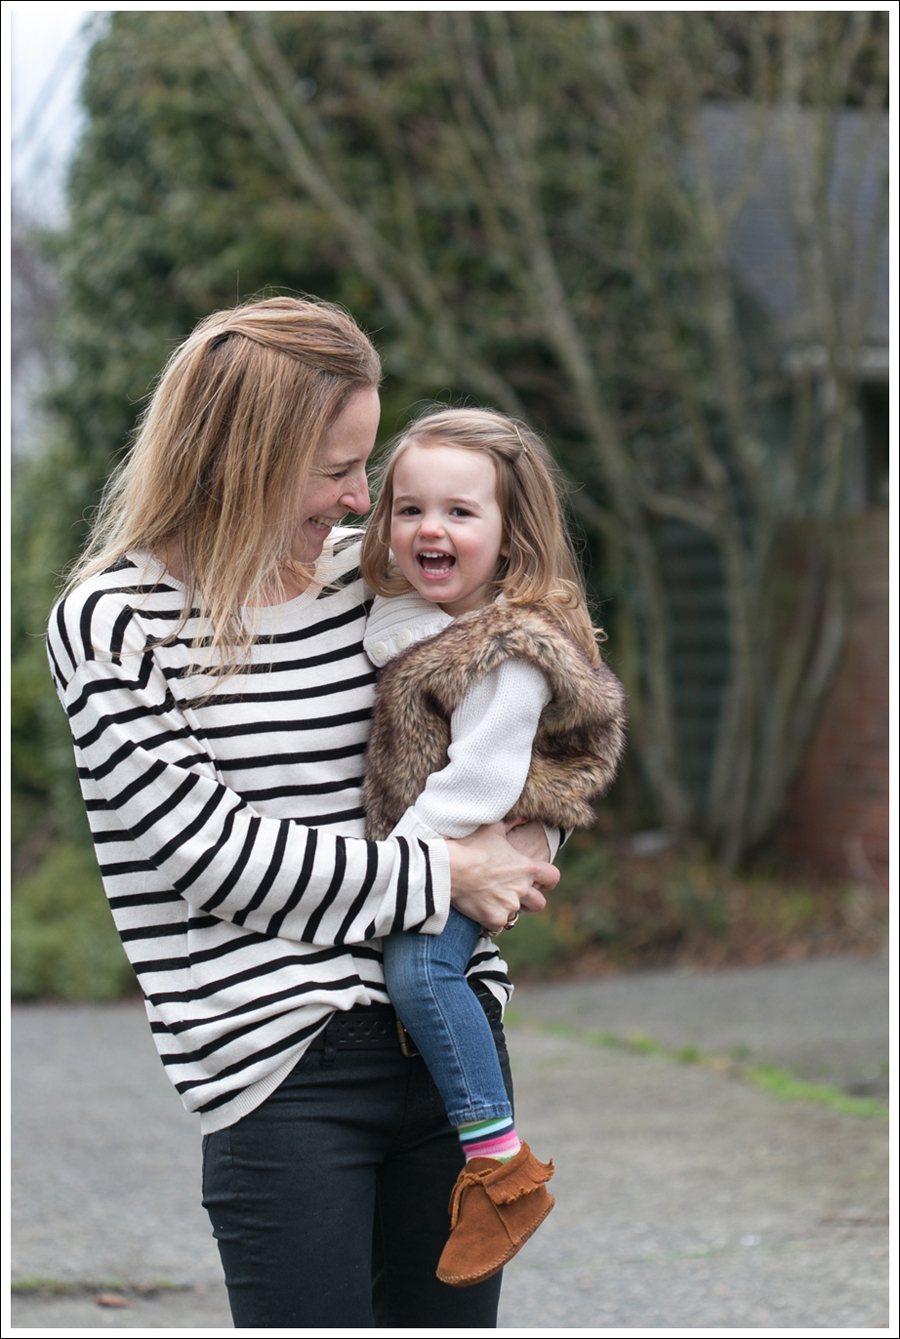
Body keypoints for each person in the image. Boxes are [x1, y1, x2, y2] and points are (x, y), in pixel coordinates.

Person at [46, 297, 560, 1329]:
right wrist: (446, 873)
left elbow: (522, 701)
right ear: (242, 456)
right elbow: (210, 855)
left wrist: (530, 833)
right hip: (282, 1074)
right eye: (336, 469)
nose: (361, 497)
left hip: (450, 1045)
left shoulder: (371, 579)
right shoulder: (113, 623)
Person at [359, 407, 627, 1287]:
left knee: (419, 969)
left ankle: (500, 1167)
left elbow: (479, 780)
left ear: (510, 537)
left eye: (459, 512)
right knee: (417, 967)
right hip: (444, 850)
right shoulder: (424, 614)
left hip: (467, 838)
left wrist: (396, 869)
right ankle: (490, 1158)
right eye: (408, 509)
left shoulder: (508, 650)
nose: (428, 529)